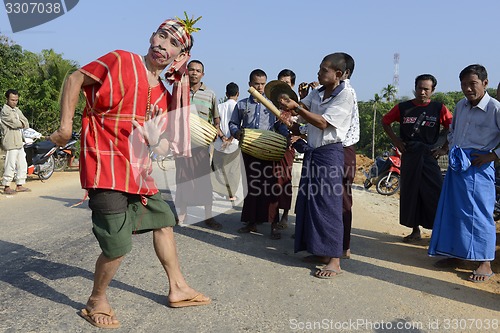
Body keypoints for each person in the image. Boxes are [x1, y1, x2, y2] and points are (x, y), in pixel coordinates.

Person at [49, 16, 211, 329]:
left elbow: (163, 148)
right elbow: (74, 80)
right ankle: (97, 299)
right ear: (152, 36)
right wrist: (66, 125)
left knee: (164, 222)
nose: (163, 45)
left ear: (180, 57)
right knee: (117, 245)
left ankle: (177, 288)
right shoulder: (120, 60)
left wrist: (154, 140)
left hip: (138, 172)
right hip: (104, 165)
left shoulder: (164, 95)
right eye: (161, 36)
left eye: (173, 43)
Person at [279, 53, 354, 278]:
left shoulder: (346, 95)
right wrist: (289, 111)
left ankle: (334, 260)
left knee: (329, 206)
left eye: (323, 70)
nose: (319, 74)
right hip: (313, 152)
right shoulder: (318, 92)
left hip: (330, 154)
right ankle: (319, 251)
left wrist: (297, 109)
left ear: (338, 74)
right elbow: (302, 113)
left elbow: (322, 122)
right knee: (310, 203)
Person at [429, 64, 500, 283]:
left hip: (479, 166)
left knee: (478, 214)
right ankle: (455, 254)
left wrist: (492, 156)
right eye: (463, 84)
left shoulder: (495, 108)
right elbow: (453, 132)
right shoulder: (460, 106)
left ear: (485, 83)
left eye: (473, 84)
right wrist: (448, 149)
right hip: (458, 165)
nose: (468, 89)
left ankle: (485, 263)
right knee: (453, 211)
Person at [382, 74, 452, 242]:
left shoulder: (439, 108)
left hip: (429, 155)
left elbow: (452, 127)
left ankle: (439, 231)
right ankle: (415, 230)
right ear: (415, 88)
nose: (422, 92)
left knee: (435, 191)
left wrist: (444, 148)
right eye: (419, 88)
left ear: (432, 90)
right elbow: (385, 122)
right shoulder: (403, 107)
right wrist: (397, 141)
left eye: (426, 89)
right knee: (411, 192)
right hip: (410, 154)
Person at [229, 69, 289, 240]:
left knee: (271, 187)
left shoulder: (273, 104)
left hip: (269, 150)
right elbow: (233, 123)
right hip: (249, 149)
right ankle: (251, 222)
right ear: (250, 84)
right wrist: (237, 133)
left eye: (263, 84)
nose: (260, 87)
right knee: (251, 186)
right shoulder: (241, 105)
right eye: (257, 84)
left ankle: (273, 225)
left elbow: (281, 125)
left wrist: (285, 137)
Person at [174, 59, 222, 230]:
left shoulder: (210, 94)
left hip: (202, 146)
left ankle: (209, 216)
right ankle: (182, 213)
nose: (194, 73)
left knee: (203, 180)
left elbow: (216, 120)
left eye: (198, 70)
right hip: (182, 144)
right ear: (187, 72)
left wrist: (216, 132)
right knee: (183, 178)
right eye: (191, 70)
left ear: (203, 74)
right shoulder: (180, 91)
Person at [272, 69, 297, 230]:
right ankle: (271, 216)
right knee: (272, 181)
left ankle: (285, 215)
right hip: (271, 145)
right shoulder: (272, 103)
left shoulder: (297, 105)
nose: (284, 85)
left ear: (292, 85)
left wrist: (298, 137)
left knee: (285, 181)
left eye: (287, 83)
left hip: (288, 148)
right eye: (281, 82)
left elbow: (304, 125)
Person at [211, 82, 240, 200]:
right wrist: (230, 139)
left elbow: (215, 124)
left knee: (218, 168)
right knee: (233, 170)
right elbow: (239, 126)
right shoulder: (239, 107)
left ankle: (217, 189)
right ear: (237, 94)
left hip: (219, 143)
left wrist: (223, 138)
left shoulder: (219, 107)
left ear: (226, 93)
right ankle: (231, 194)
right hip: (234, 143)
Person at [1, 89, 31, 195]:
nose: (14, 102)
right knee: (10, 164)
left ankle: (19, 184)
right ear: (7, 99)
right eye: (12, 100)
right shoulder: (5, 111)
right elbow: (14, 124)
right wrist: (21, 123)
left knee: (22, 163)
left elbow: (26, 122)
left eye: (16, 100)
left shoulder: (17, 110)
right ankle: (6, 185)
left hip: (18, 141)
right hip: (10, 141)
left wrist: (21, 122)